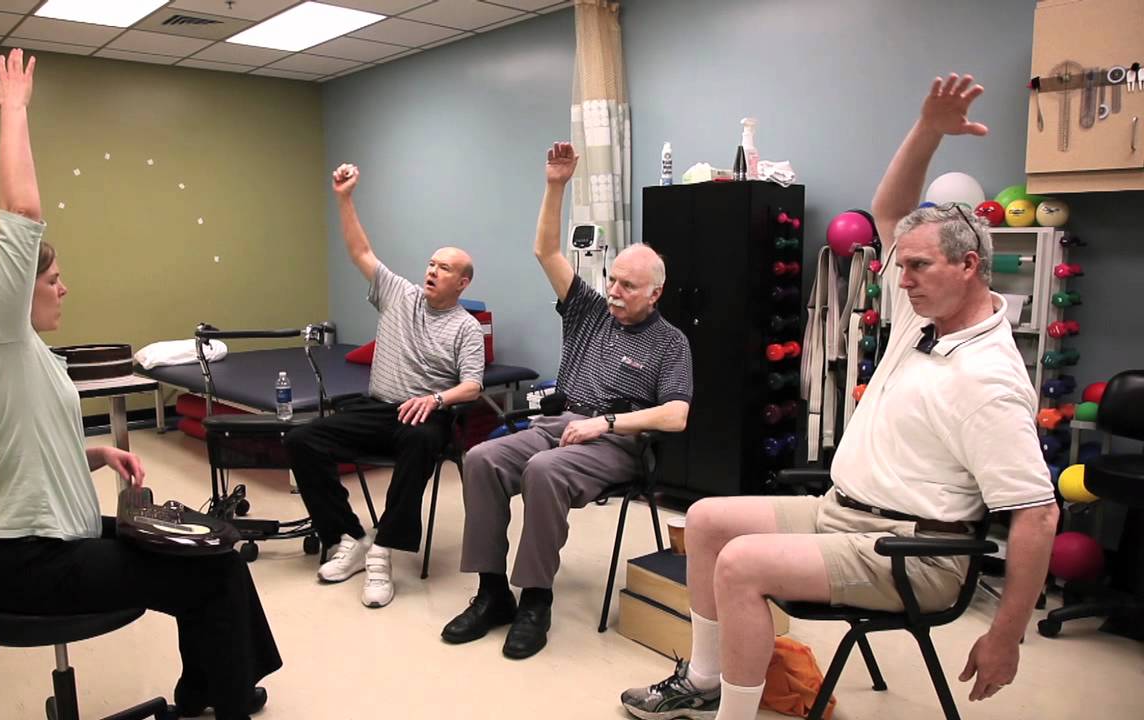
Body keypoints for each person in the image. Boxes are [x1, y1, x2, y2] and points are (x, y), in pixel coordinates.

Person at [621, 73, 1060, 720]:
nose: (901, 279)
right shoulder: (924, 317)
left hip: (914, 552)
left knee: (740, 564)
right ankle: (707, 680)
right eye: (900, 265)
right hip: (844, 514)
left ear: (969, 266)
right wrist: (928, 129)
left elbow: (1038, 516)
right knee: (708, 520)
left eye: (918, 267)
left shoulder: (989, 376)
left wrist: (1006, 636)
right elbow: (891, 210)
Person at [0, 50, 281, 720]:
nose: (64, 288)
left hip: (54, 538)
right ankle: (223, 699)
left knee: (211, 546)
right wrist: (15, 111)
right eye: (52, 279)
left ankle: (210, 689)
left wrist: (97, 454)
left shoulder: (24, 354)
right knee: (208, 574)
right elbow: (22, 210)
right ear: (10, 290)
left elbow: (24, 457)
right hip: (28, 563)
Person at [442, 142, 693, 659]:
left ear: (655, 294)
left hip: (617, 444)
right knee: (481, 459)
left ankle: (536, 599)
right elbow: (546, 251)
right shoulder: (588, 310)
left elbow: (676, 415)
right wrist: (556, 184)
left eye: (628, 286)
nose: (615, 290)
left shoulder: (671, 343)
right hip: (558, 425)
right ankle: (493, 593)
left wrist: (607, 423)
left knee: (544, 471)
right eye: (612, 280)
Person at [284, 163, 484, 608]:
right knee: (302, 440)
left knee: (420, 441)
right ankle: (350, 537)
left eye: (444, 268)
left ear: (462, 282)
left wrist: (436, 399)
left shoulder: (466, 328)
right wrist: (344, 197)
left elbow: (472, 385)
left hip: (426, 414)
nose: (432, 271)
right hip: (377, 408)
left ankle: (383, 551)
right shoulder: (399, 294)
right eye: (431, 264)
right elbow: (360, 250)